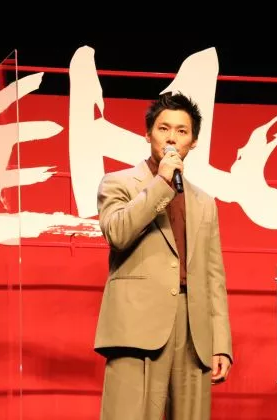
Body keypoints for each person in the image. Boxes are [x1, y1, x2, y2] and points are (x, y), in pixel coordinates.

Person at [94, 91, 233, 419]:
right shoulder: (118, 183)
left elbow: (213, 275)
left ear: (193, 142)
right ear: (148, 134)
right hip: (137, 324)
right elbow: (117, 233)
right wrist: (161, 182)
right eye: (163, 128)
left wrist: (221, 343)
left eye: (182, 131)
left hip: (194, 328)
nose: (172, 138)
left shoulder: (204, 202)